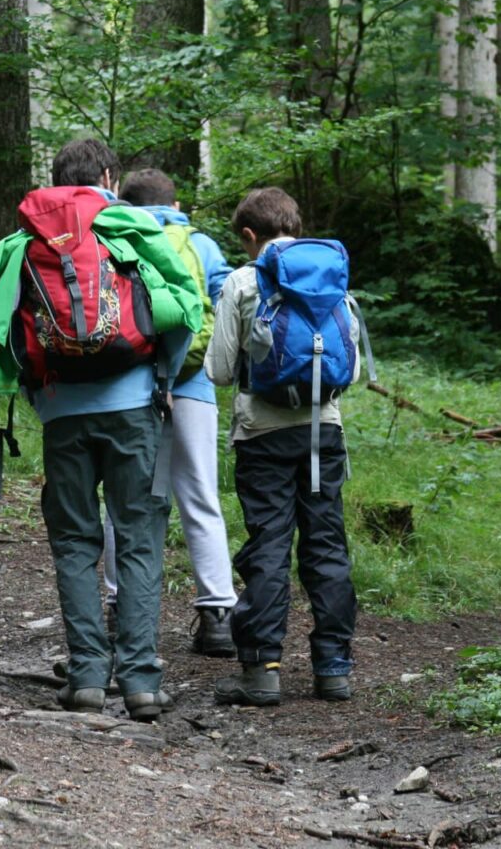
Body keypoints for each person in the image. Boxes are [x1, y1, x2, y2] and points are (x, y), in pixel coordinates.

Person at [0, 138, 203, 721]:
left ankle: (88, 676)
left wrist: (41, 398)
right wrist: (161, 376)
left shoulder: (22, 243)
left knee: (73, 543)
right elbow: (184, 309)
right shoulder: (128, 226)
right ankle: (141, 683)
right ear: (109, 177)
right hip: (132, 411)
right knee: (139, 541)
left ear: (56, 179)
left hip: (62, 415)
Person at [204, 187, 359, 704]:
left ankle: (262, 670)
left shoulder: (244, 281)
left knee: (269, 545)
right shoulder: (332, 275)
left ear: (250, 235)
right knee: (326, 543)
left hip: (262, 436)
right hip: (325, 430)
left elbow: (221, 372)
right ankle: (334, 668)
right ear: (295, 223)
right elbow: (351, 368)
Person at [105, 167, 237, 657]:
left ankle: (122, 608)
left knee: (126, 500)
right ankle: (218, 615)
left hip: (131, 385)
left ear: (126, 203)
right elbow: (225, 306)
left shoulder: (117, 235)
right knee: (200, 495)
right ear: (176, 205)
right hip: (194, 383)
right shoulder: (200, 243)